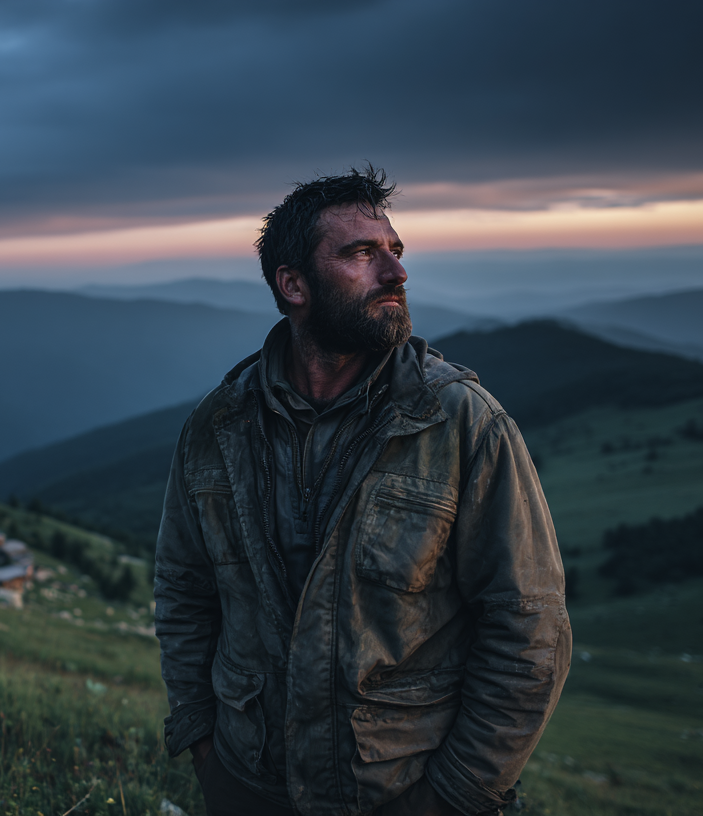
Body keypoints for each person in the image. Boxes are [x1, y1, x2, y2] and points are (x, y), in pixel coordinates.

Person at [153, 166, 570, 816]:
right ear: (294, 285)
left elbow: (528, 630)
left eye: (396, 252)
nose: (397, 273)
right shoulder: (217, 428)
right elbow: (183, 591)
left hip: (402, 794)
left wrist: (453, 796)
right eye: (361, 253)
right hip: (246, 785)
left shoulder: (461, 423)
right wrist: (202, 743)